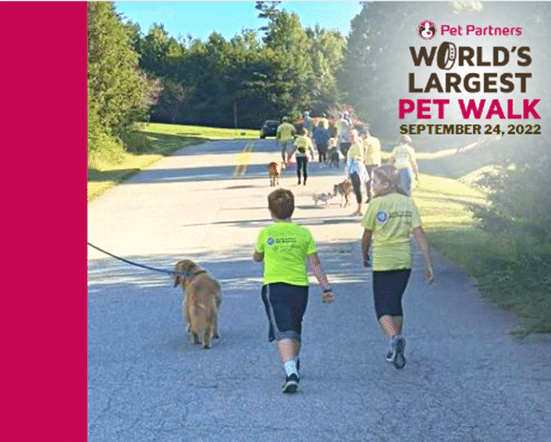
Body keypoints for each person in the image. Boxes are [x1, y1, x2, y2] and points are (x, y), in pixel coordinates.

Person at [253, 189, 335, 393]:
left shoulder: (266, 233)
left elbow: (257, 256)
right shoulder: (303, 233)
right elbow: (315, 263)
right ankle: (293, 361)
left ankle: (290, 372)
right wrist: (326, 287)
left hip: (274, 286)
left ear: (270, 212)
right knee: (294, 325)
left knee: (282, 330)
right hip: (299, 288)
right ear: (293, 209)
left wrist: (262, 254)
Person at [359, 165, 434, 370]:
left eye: (375, 181)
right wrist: (427, 263)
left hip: (383, 260)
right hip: (404, 260)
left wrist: (364, 254)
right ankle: (396, 344)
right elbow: (419, 233)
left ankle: (393, 338)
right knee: (395, 302)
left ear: (387, 184)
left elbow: (367, 235)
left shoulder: (376, 204)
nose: (372, 185)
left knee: (382, 307)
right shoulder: (407, 203)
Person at [344, 130, 369, 216]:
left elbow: (361, 157)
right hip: (352, 169)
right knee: (355, 188)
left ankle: (359, 209)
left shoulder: (358, 145)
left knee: (357, 188)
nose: (351, 138)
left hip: (357, 169)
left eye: (353, 136)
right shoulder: (352, 146)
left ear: (356, 136)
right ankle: (358, 208)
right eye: (350, 136)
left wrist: (355, 159)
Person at [361, 128, 382, 203]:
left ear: (364, 135)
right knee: (377, 179)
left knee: (368, 180)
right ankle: (378, 194)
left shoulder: (365, 142)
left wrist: (361, 160)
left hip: (368, 162)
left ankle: (369, 196)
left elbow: (364, 152)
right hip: (377, 161)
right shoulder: (376, 140)